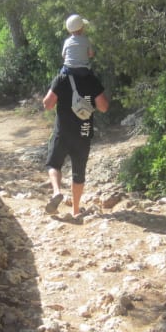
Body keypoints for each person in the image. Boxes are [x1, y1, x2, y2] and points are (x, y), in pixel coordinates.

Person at [42, 66, 110, 218]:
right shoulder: (91, 79)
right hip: (83, 133)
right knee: (78, 172)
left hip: (63, 132)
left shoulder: (62, 78)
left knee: (53, 164)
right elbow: (104, 107)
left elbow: (48, 104)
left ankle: (57, 192)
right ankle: (75, 210)